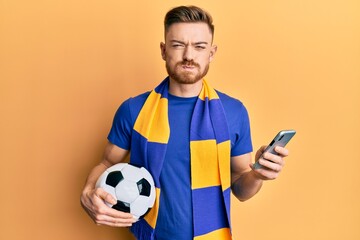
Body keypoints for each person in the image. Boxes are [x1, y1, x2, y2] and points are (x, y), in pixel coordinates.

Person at [81, 5, 289, 240]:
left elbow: (241, 188)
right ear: (163, 50)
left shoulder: (234, 112)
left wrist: (259, 174)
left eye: (199, 47)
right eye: (178, 45)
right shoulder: (133, 109)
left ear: (211, 52)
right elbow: (107, 163)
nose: (189, 55)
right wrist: (88, 191)